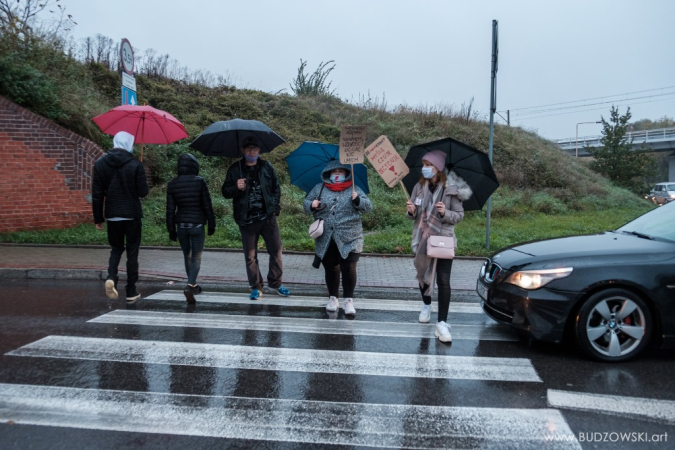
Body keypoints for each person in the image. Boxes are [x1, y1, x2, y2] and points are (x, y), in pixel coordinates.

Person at [405, 149, 472, 343]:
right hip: (422, 238)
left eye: (429, 165)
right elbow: (414, 214)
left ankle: (442, 323)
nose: (425, 169)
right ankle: (426, 304)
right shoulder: (419, 186)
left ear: (438, 168)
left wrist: (444, 213)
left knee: (443, 280)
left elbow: (458, 216)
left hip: (443, 239)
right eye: (424, 165)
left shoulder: (451, 190)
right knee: (422, 274)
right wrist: (411, 211)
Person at [222, 135, 291, 300]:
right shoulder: (235, 169)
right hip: (246, 219)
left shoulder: (267, 167)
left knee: (276, 250)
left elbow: (276, 188)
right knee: (250, 256)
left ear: (259, 150)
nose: (252, 152)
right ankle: (256, 286)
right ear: (243, 151)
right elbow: (225, 192)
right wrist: (236, 187)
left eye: (255, 149)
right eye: (248, 149)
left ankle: (275, 283)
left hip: (267, 218)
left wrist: (274, 208)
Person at [303, 160, 372, 315]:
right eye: (334, 172)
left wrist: (358, 200)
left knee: (349, 267)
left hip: (350, 236)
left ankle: (348, 301)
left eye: (341, 172)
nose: (337, 175)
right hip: (326, 237)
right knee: (331, 268)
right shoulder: (318, 188)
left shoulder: (354, 188)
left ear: (347, 174)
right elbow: (305, 204)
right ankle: (333, 298)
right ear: (328, 174)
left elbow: (368, 207)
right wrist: (311, 204)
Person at [92, 131, 149, 303]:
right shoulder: (135, 164)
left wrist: (98, 219)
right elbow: (143, 192)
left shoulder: (101, 164)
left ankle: (111, 276)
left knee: (116, 249)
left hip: (113, 214)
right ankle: (131, 290)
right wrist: (140, 171)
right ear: (129, 144)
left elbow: (97, 193)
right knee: (132, 252)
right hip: (131, 215)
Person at [166, 153, 216, 304]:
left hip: (181, 225)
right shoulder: (199, 182)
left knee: (187, 255)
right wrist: (212, 224)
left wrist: (171, 229)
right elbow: (207, 205)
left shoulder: (172, 184)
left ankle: (193, 285)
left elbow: (170, 210)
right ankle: (189, 286)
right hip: (197, 225)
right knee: (196, 257)